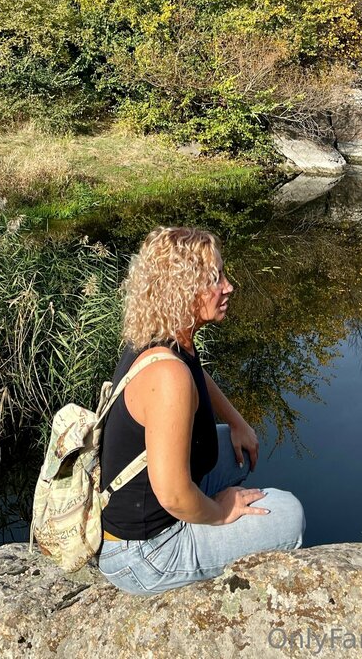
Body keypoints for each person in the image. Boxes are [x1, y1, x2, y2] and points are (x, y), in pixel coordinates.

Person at [97, 225, 305, 595]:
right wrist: (222, 511)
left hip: (140, 508)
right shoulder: (168, 377)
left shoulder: (161, 339)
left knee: (229, 448)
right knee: (289, 513)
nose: (229, 287)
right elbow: (173, 496)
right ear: (182, 290)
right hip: (145, 552)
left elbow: (197, 375)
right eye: (214, 279)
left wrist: (237, 421)